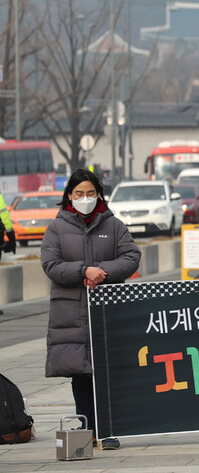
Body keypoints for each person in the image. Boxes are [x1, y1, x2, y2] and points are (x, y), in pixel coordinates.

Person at [41, 169, 141, 451]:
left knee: (107, 372)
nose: (85, 198)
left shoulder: (114, 225)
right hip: (71, 313)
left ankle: (107, 429)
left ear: (99, 195)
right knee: (81, 373)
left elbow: (132, 257)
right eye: (79, 193)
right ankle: (87, 429)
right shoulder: (56, 228)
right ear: (69, 196)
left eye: (90, 193)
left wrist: (102, 273)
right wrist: (83, 270)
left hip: (107, 311)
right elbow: (51, 265)